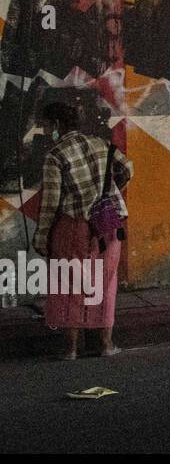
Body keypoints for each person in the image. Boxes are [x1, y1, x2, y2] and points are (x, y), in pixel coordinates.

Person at [33, 101, 132, 359]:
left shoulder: (55, 156)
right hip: (108, 221)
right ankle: (106, 345)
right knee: (105, 282)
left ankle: (71, 349)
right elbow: (127, 169)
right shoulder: (103, 145)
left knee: (70, 283)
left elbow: (51, 202)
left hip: (74, 225)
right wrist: (108, 189)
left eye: (46, 125)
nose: (45, 130)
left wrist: (42, 235)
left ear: (56, 125)